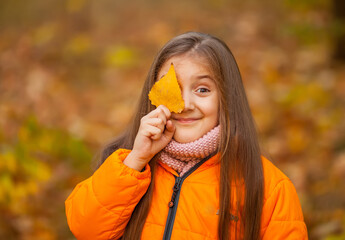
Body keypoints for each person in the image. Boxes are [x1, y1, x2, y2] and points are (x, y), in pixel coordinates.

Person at [65, 32, 308, 240]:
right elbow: (85, 229)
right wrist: (137, 159)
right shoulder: (125, 165)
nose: (185, 104)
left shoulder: (268, 186)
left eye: (202, 90)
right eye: (173, 89)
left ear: (226, 98)